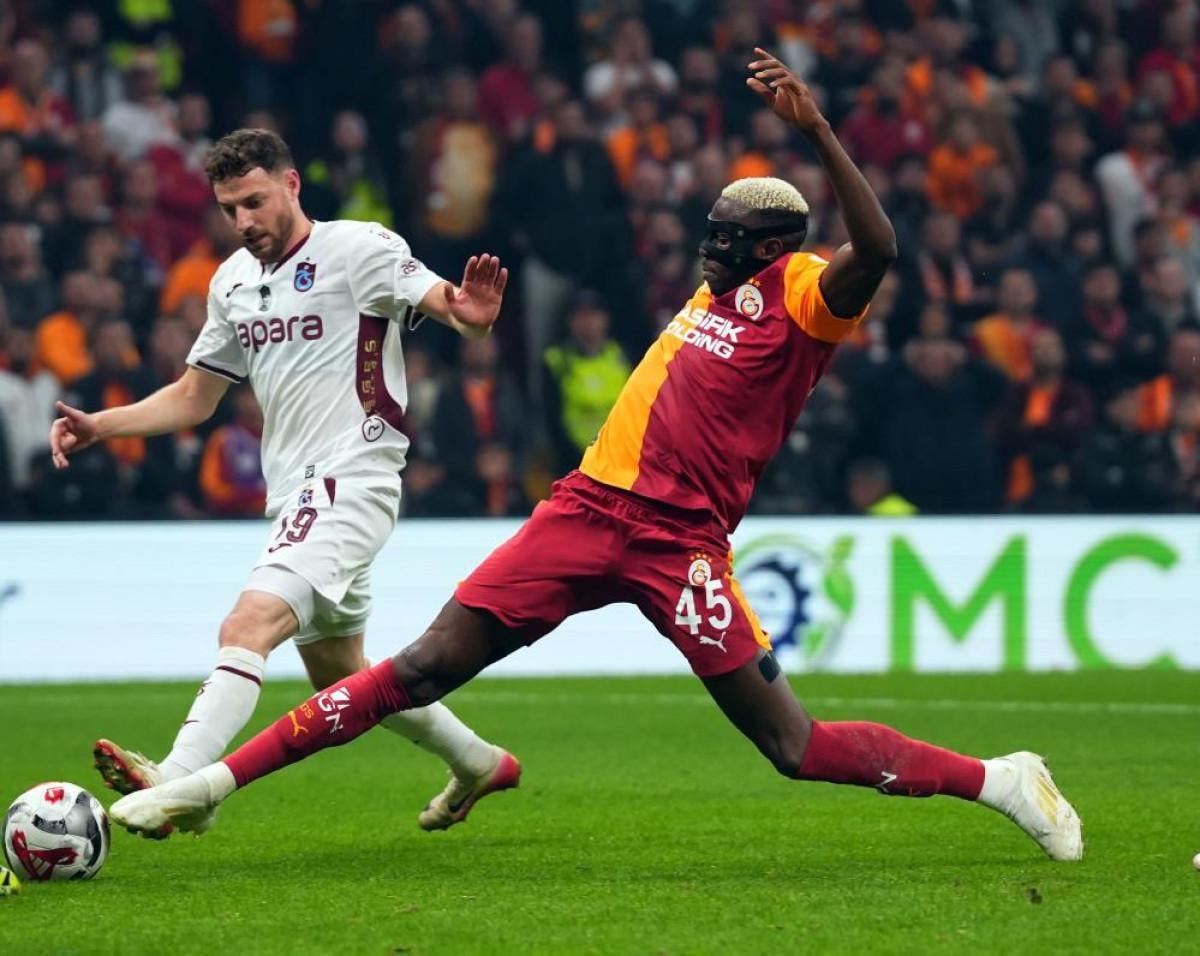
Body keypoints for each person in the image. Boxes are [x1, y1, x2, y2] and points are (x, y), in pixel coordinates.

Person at [111, 55, 1082, 862]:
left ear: (772, 247)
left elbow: (880, 244)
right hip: (582, 512)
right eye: (710, 231)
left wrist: (819, 130)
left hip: (681, 547)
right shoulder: (716, 290)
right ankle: (207, 784)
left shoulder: (804, 297)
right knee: (422, 663)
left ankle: (1001, 779)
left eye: (728, 239)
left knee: (793, 745)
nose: (708, 249)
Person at [49, 128, 518, 835]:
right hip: (295, 493)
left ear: (292, 184)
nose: (243, 221)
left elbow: (452, 306)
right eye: (229, 209)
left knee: (249, 624)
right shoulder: (232, 282)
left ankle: (178, 780)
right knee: (342, 675)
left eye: (255, 202)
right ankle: (478, 761)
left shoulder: (360, 248)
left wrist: (472, 319)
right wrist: (101, 426)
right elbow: (194, 397)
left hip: (351, 478)